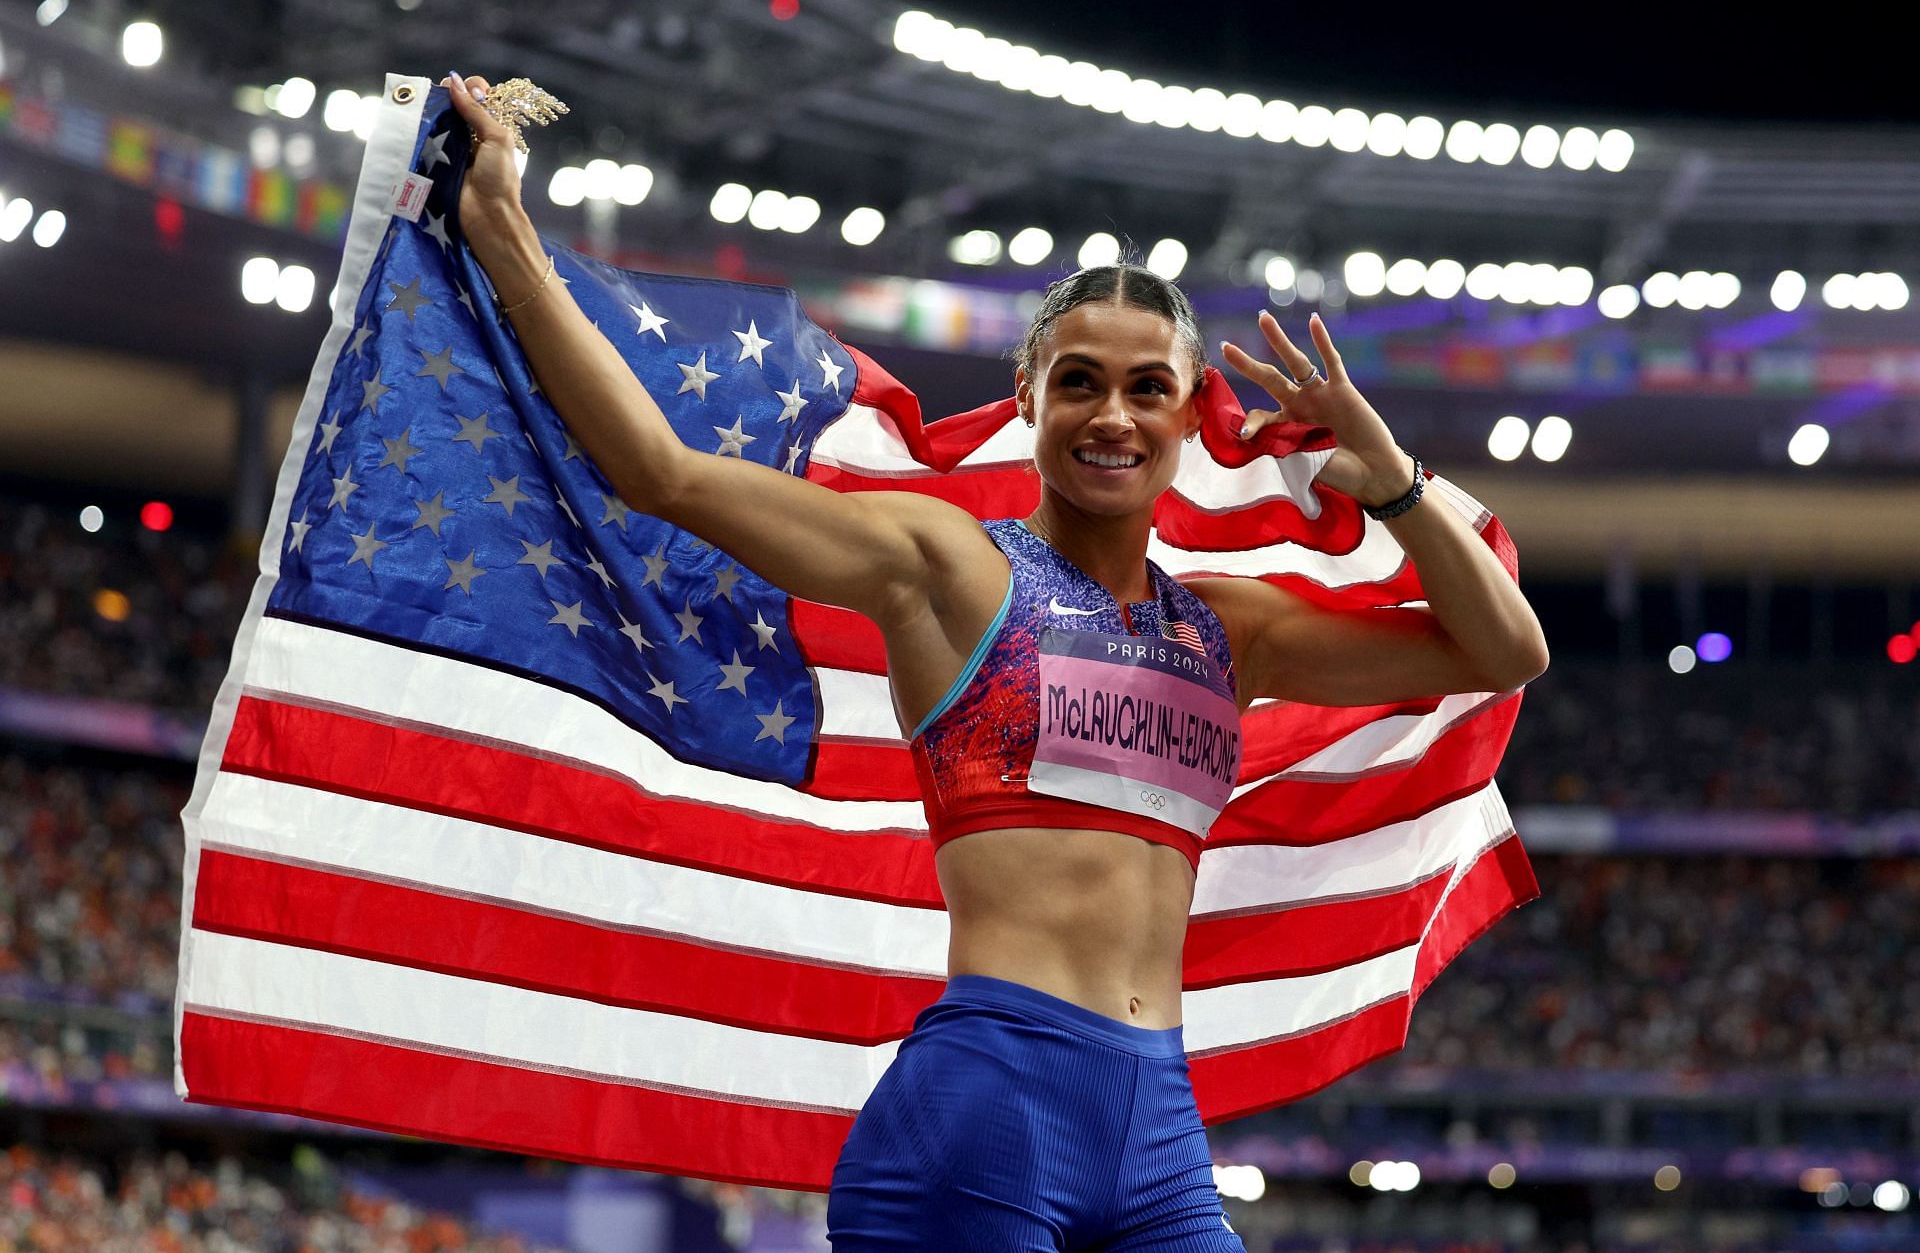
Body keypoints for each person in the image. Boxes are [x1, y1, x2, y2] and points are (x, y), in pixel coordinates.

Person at [441, 72, 1548, 1251]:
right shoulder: (952, 569)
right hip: (985, 1117)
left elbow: (1503, 649)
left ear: (1187, 415)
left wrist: (1394, 484)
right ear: (1028, 399)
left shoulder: (1232, 631)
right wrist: (505, 230)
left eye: (1145, 387)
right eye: (1077, 381)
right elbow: (664, 474)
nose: (1110, 413)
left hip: (1160, 1126)